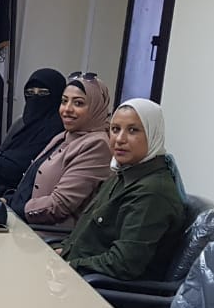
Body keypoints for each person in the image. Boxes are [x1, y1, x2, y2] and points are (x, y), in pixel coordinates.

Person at [61, 98, 187, 281]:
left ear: (153, 134)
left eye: (133, 130)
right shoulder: (122, 174)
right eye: (115, 129)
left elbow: (123, 264)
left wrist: (70, 266)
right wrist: (61, 252)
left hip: (101, 290)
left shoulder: (152, 192)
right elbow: (86, 234)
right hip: (79, 275)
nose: (120, 139)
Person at [9, 73, 114, 228]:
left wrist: (14, 210)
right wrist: (8, 201)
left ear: (96, 107)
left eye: (78, 103)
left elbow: (60, 204)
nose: (67, 109)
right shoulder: (64, 136)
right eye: (64, 101)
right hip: (28, 223)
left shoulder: (97, 145)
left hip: (48, 234)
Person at [0, 68, 66, 194]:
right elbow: (5, 154)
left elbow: (19, 165)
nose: (35, 98)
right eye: (30, 92)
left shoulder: (57, 129)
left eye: (43, 93)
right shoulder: (26, 122)